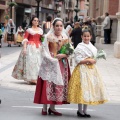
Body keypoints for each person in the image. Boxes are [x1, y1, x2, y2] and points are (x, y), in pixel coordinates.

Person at [34, 18, 71, 116]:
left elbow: (70, 51)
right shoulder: (48, 37)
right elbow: (44, 51)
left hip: (61, 64)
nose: (59, 28)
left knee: (57, 86)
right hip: (49, 63)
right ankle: (45, 107)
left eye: (61, 26)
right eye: (57, 26)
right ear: (53, 27)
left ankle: (53, 108)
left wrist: (63, 55)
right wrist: (52, 59)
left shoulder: (65, 37)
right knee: (48, 84)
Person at [67, 29, 108, 118]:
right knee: (82, 90)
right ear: (82, 37)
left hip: (91, 71)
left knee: (88, 90)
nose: (86, 38)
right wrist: (88, 60)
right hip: (82, 70)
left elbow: (95, 58)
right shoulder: (79, 47)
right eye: (84, 36)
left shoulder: (93, 47)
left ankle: (85, 111)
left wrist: (94, 60)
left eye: (88, 36)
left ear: (91, 37)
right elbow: (77, 59)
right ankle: (80, 110)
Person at [12, 16, 43, 84]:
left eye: (37, 21)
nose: (36, 22)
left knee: (38, 62)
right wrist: (25, 48)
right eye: (34, 20)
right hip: (30, 47)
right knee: (31, 62)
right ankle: (31, 78)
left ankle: (36, 78)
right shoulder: (29, 30)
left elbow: (42, 39)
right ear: (32, 21)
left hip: (39, 48)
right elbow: (25, 39)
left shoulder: (40, 30)